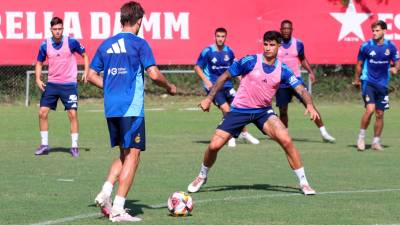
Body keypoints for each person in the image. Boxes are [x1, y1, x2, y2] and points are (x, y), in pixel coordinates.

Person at [187, 31, 317, 196]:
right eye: (266, 44)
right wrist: (208, 98)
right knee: (214, 146)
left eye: (272, 45)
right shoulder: (250, 61)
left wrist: (310, 105)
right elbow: (224, 77)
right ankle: (201, 176)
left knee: (286, 140)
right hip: (239, 110)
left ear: (279, 47)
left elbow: (301, 89)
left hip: (263, 112)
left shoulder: (283, 70)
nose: (268, 48)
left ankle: (304, 183)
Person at [87, 1, 176, 222]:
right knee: (134, 155)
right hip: (131, 107)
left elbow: (89, 75)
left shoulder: (106, 45)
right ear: (139, 21)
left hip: (111, 108)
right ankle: (118, 208)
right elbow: (154, 74)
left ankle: (105, 192)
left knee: (124, 154)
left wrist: (109, 86)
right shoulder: (139, 44)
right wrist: (169, 86)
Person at [195, 27, 260, 147]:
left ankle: (243, 134)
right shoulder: (207, 51)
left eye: (222, 36)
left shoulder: (229, 51)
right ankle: (231, 136)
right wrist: (206, 81)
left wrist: (243, 81)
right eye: (218, 36)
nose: (220, 39)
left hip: (228, 85)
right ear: (215, 37)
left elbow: (234, 69)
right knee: (226, 110)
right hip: (214, 88)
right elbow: (197, 67)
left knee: (238, 108)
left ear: (226, 37)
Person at [34, 16, 89, 157]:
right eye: (55, 29)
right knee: (42, 113)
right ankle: (44, 145)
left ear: (63, 29)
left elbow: (85, 55)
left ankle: (74, 146)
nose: (57, 31)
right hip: (52, 84)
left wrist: (86, 72)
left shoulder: (71, 42)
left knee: (72, 114)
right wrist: (38, 79)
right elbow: (39, 62)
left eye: (60, 29)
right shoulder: (45, 45)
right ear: (51, 30)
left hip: (69, 85)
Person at [277, 20, 335, 143]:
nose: (286, 31)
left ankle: (324, 133)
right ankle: (284, 135)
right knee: (283, 110)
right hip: (281, 82)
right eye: (284, 29)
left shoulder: (298, 43)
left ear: (292, 30)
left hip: (296, 81)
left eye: (288, 29)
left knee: (310, 105)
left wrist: (310, 71)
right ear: (280, 30)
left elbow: (302, 59)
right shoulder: (276, 43)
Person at [353, 20, 399, 151]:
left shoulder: (391, 46)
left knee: (380, 114)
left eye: (377, 30)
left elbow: (397, 61)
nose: (374, 33)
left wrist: (396, 68)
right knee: (370, 109)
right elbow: (359, 64)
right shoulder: (366, 46)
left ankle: (375, 142)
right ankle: (361, 137)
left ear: (384, 31)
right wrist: (356, 80)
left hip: (383, 84)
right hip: (368, 82)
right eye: (373, 30)